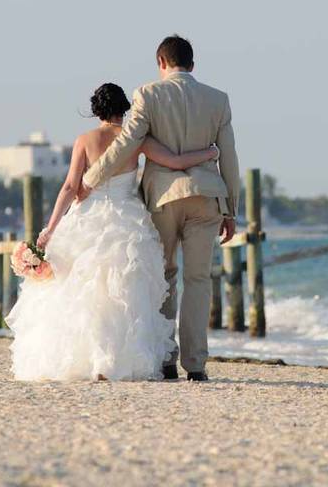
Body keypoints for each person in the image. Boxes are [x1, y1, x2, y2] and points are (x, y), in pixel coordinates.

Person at [6, 82, 220, 381]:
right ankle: (119, 360)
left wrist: (50, 228)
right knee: (124, 291)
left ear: (96, 111)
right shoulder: (136, 139)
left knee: (81, 287)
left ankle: (85, 359)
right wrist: (209, 153)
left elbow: (70, 187)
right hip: (126, 217)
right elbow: (175, 161)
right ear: (125, 109)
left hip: (87, 216)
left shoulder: (85, 139)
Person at [80, 35, 241, 382]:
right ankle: (196, 364)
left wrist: (92, 177)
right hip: (207, 197)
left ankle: (167, 358)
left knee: (165, 275)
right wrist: (231, 210)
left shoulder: (147, 95)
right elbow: (229, 156)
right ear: (192, 65)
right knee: (198, 280)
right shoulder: (218, 100)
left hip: (163, 197)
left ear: (161, 63)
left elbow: (128, 141)